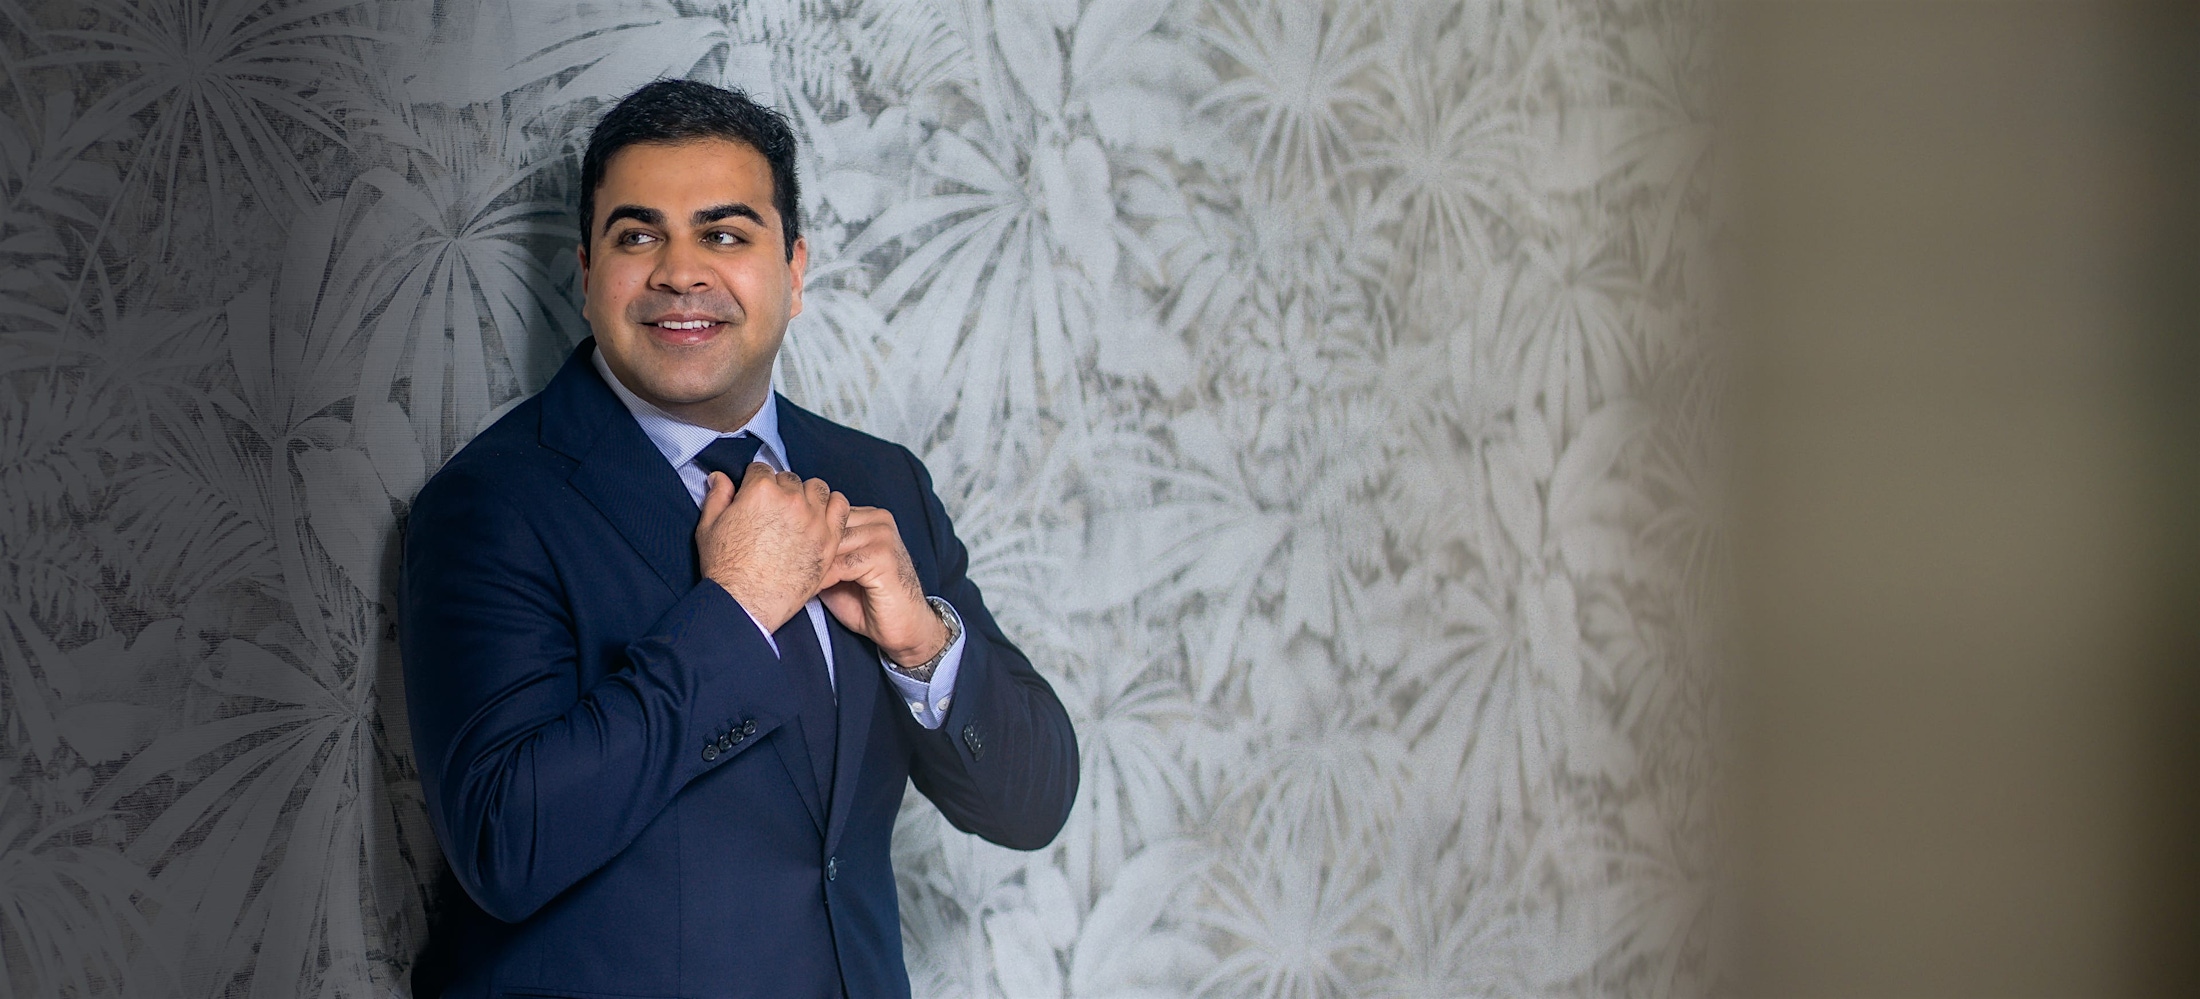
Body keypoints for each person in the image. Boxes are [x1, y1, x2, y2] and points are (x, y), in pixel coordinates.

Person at [398, 79, 1079, 999]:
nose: (681, 271)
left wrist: (926, 644)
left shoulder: (881, 482)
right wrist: (735, 612)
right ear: (587, 274)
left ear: (793, 272)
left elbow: (1031, 800)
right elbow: (504, 842)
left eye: (724, 234)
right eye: (638, 236)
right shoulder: (490, 504)